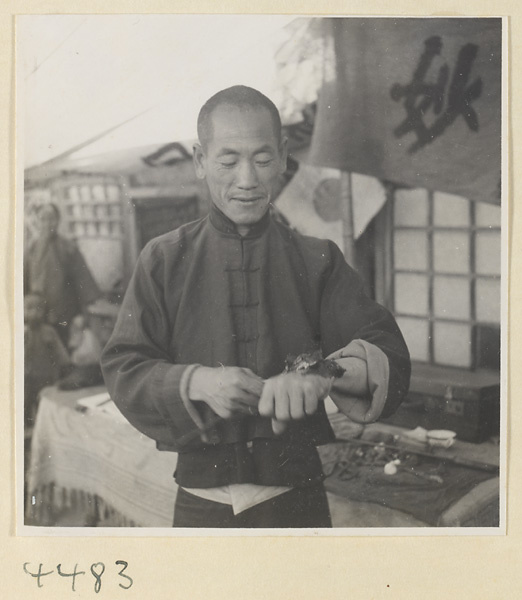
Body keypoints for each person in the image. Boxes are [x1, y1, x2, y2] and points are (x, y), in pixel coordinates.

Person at [101, 85, 411, 528]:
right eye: (228, 161)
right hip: (199, 500)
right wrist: (195, 381)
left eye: (262, 160)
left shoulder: (318, 259)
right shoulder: (163, 259)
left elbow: (387, 350)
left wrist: (322, 375)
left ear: (284, 157)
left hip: (296, 498)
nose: (247, 179)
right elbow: (123, 365)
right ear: (200, 161)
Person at [24, 203, 101, 344]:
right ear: (37, 221)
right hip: (36, 314)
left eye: (51, 219)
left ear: (58, 220)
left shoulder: (68, 248)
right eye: (43, 219)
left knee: (62, 348)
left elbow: (82, 280)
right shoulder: (31, 248)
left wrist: (83, 313)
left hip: (63, 312)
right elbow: (22, 280)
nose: (47, 224)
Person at [24, 293, 71, 427]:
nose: (35, 313)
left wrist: (65, 363)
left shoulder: (48, 331)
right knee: (26, 401)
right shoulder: (23, 332)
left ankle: (41, 426)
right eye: (30, 308)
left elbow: (59, 350)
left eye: (39, 309)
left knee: (43, 401)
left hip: (45, 375)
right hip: (26, 375)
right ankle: (26, 425)